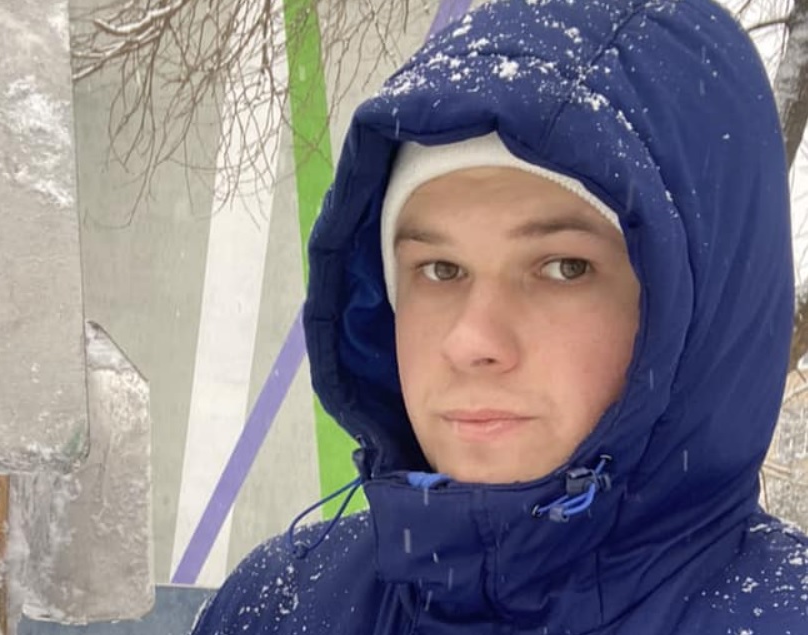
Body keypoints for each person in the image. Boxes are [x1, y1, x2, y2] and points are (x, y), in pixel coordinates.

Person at [191, 0, 808, 632]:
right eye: (440, 269)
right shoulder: (281, 607)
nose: (471, 340)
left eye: (565, 267)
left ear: (701, 314)